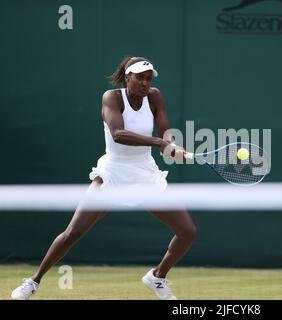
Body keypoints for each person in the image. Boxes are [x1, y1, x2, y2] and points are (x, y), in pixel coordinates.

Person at [11, 56, 196, 300]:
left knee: (187, 232)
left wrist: (173, 148)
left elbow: (165, 136)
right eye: (139, 77)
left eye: (148, 78)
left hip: (145, 174)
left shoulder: (155, 97)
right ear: (127, 77)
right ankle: (33, 282)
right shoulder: (112, 98)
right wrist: (160, 143)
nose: (145, 83)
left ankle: (157, 277)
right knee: (73, 233)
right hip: (113, 174)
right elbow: (118, 133)